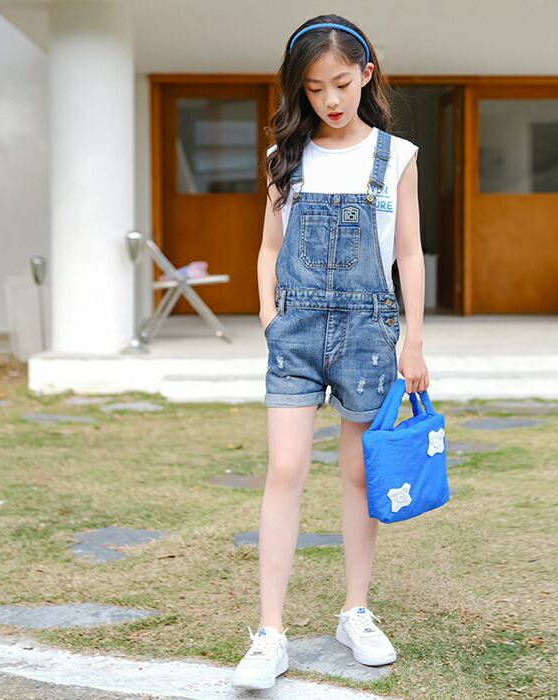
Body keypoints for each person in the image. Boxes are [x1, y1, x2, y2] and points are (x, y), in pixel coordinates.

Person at [231, 14, 429, 690]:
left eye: (341, 83)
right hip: (295, 331)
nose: (330, 100)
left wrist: (414, 342)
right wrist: (269, 317)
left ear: (366, 74)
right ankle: (270, 632)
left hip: (370, 333)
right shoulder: (283, 156)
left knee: (358, 474)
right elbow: (268, 247)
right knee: (285, 468)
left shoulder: (395, 156)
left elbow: (409, 254)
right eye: (314, 89)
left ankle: (355, 611)